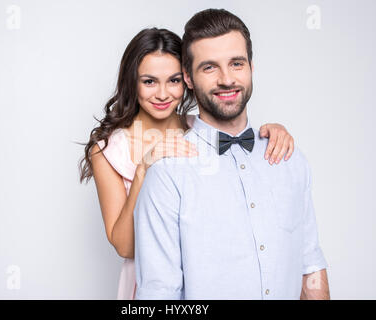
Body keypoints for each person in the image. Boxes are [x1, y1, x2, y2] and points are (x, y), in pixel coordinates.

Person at [79, 27, 295, 300]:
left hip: (209, 275)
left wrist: (272, 132)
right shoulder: (110, 150)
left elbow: (241, 161)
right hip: (151, 282)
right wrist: (145, 168)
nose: (162, 94)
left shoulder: (202, 128)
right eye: (149, 81)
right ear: (131, 82)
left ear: (188, 80)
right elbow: (124, 246)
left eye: (173, 80)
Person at [134, 9, 330, 300]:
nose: (227, 79)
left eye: (236, 63)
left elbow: (310, 267)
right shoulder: (167, 175)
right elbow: (159, 294)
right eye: (209, 67)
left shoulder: (290, 159)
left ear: (251, 66)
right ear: (188, 76)